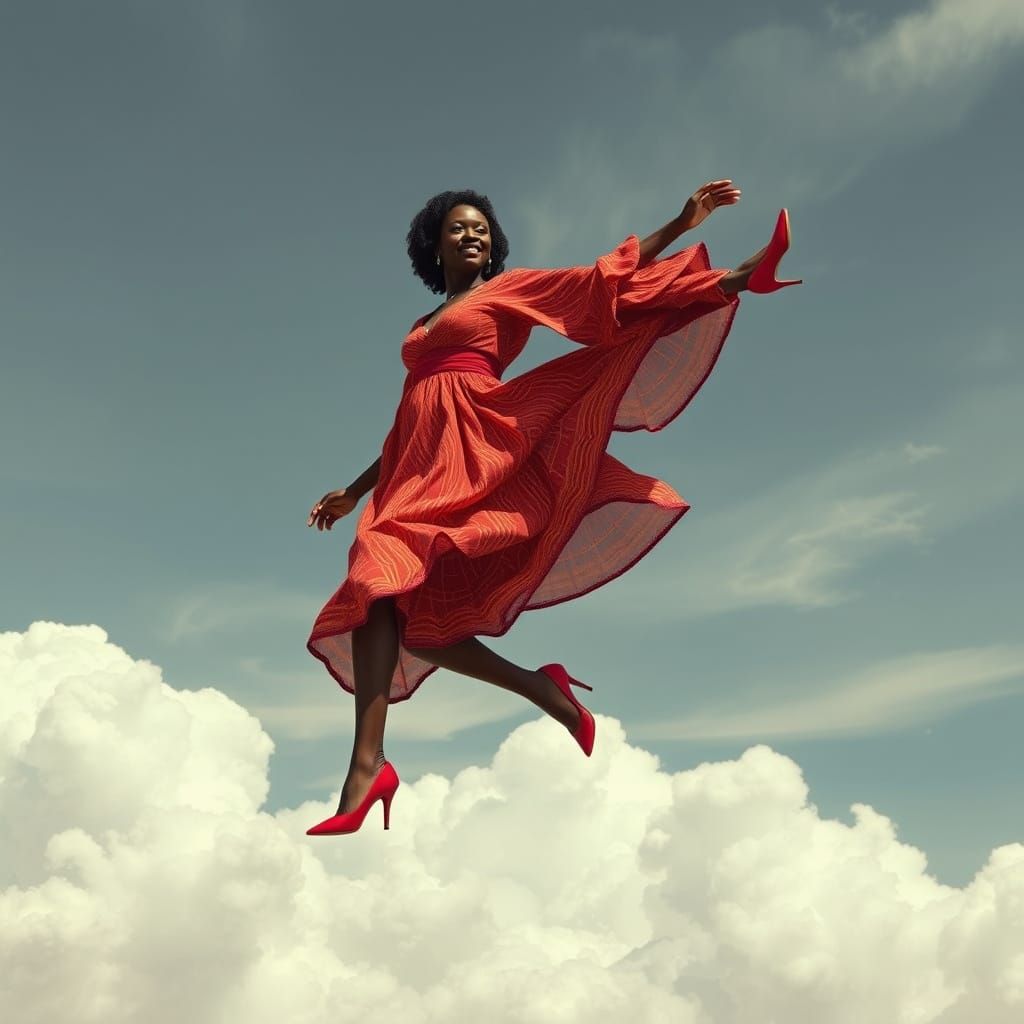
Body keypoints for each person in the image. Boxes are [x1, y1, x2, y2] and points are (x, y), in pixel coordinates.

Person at [303, 182, 801, 835]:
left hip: (478, 446)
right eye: (457, 227)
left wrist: (693, 237)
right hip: (414, 464)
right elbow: (411, 416)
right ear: (435, 243)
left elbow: (602, 286)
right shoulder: (422, 327)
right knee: (415, 623)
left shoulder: (507, 292)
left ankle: (366, 770)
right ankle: (540, 691)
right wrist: (357, 489)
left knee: (376, 582)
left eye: (481, 228)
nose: (472, 235)